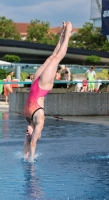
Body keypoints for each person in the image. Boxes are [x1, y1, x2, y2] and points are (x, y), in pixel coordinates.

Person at [23, 21, 72, 161]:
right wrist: (31, 161)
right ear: (35, 134)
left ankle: (61, 35)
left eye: (26, 132)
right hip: (43, 86)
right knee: (57, 59)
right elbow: (32, 143)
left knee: (50, 57)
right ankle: (68, 35)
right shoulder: (39, 120)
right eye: (29, 133)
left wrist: (24, 155)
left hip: (35, 84)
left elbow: (26, 143)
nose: (26, 132)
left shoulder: (28, 119)